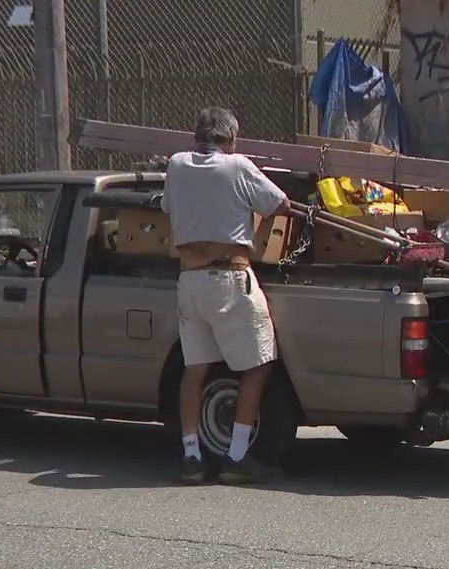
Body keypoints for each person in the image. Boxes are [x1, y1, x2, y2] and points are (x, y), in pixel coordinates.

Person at [159, 106, 295, 485]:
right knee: (258, 363)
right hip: (229, 277)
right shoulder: (238, 165)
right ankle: (237, 454)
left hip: (189, 280)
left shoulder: (177, 164)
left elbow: (168, 206)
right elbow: (279, 203)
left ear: (197, 136)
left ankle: (191, 455)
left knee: (195, 368)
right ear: (232, 138)